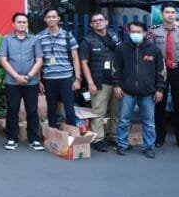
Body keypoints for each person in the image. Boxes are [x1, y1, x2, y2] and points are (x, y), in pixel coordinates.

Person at [113, 21, 165, 158]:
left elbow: (161, 71)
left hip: (148, 92)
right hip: (127, 91)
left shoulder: (154, 49)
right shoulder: (121, 48)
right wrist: (117, 85)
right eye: (133, 32)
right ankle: (122, 144)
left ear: (145, 33)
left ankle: (149, 147)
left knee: (149, 122)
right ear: (128, 32)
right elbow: (116, 68)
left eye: (138, 32)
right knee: (124, 120)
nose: (135, 34)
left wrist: (159, 89)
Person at [0, 12, 44, 151]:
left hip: (31, 82)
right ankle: (12, 138)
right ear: (13, 24)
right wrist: (16, 76)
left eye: (24, 22)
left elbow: (39, 60)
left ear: (27, 24)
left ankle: (34, 139)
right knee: (12, 110)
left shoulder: (34, 39)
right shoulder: (7, 39)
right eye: (19, 22)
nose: (22, 24)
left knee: (32, 110)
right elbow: (3, 59)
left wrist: (29, 76)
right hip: (12, 82)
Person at [78, 12, 120, 152]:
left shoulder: (114, 36)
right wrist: (90, 82)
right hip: (99, 81)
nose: (98, 22)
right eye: (94, 21)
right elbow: (84, 63)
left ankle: (114, 136)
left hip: (117, 81)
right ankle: (98, 139)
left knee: (116, 111)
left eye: (100, 20)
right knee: (98, 112)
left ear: (106, 22)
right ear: (91, 25)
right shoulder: (87, 40)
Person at [148, 3, 179, 148]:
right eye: (167, 12)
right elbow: (150, 53)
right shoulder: (154, 31)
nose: (170, 15)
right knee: (159, 104)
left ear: (176, 14)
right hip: (160, 71)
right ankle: (160, 137)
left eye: (173, 12)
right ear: (162, 14)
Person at [36, 9, 82, 129]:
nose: (51, 19)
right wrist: (39, 80)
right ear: (45, 19)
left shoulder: (67, 35)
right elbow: (38, 61)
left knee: (69, 108)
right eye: (48, 17)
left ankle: (72, 134)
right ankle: (52, 135)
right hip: (48, 79)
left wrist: (77, 79)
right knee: (51, 108)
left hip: (66, 78)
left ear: (58, 19)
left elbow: (75, 57)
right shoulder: (39, 37)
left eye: (53, 16)